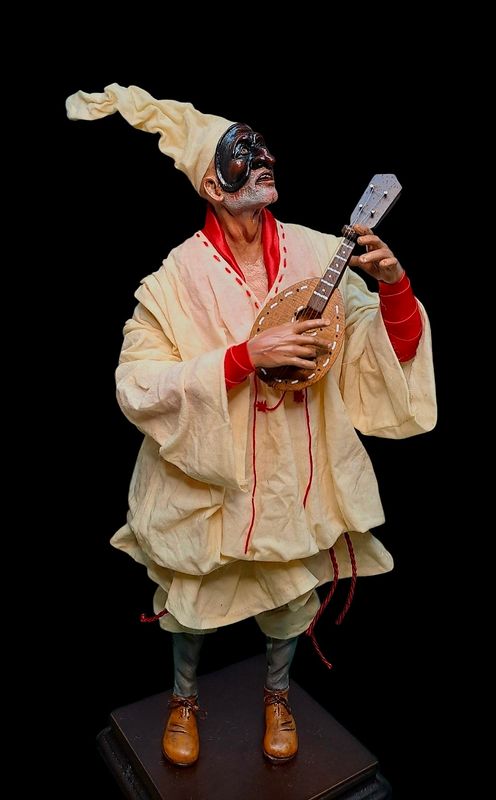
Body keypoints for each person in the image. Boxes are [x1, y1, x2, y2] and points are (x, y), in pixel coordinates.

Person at [66, 84, 436, 768]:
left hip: (296, 468)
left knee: (293, 590)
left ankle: (277, 695)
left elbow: (378, 350)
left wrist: (394, 287)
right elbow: (136, 380)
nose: (264, 159)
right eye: (245, 153)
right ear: (211, 181)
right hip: (214, 474)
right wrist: (240, 358)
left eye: (264, 148)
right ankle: (183, 699)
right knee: (194, 594)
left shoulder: (316, 253)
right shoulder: (174, 279)